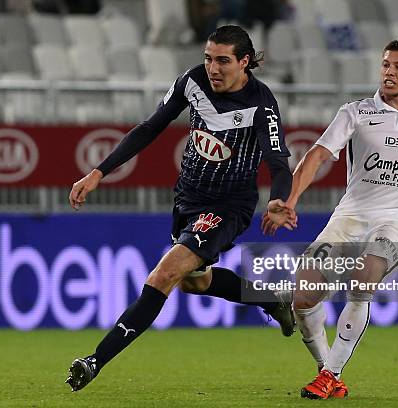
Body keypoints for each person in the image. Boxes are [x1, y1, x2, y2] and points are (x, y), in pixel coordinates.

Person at [65, 25, 297, 392]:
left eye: (222, 61)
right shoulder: (192, 81)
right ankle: (271, 299)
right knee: (196, 282)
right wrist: (99, 172)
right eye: (208, 58)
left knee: (164, 274)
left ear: (245, 62)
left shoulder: (262, 104)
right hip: (188, 199)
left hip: (228, 205)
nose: (212, 68)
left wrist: (279, 199)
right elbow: (149, 127)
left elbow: (279, 163)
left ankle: (95, 360)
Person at [264, 39, 398, 399]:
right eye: (385, 65)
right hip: (350, 217)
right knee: (304, 294)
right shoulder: (356, 112)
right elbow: (317, 154)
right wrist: (291, 199)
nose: (389, 72)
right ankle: (325, 369)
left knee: (365, 275)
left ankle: (331, 372)